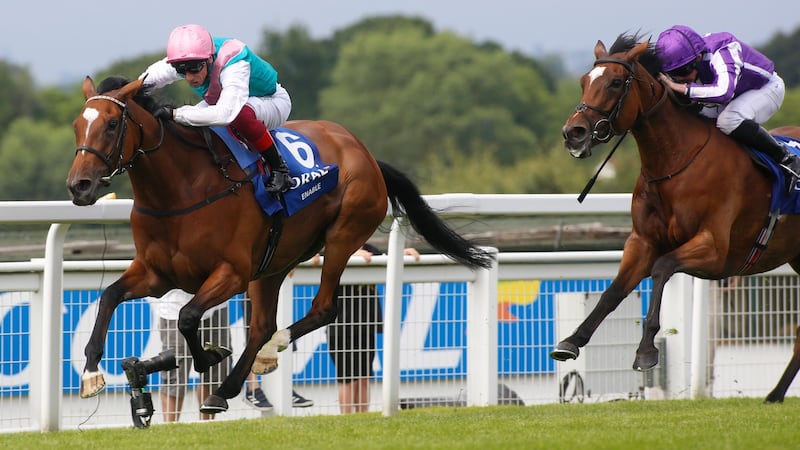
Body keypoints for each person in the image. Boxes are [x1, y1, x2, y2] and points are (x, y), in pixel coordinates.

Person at [139, 24, 292, 194]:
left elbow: (225, 114)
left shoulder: (233, 62)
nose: (189, 77)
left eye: (194, 69)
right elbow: (145, 80)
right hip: (228, 101)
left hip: (272, 100)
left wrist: (175, 113)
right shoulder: (189, 58)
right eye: (182, 71)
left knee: (238, 116)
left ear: (209, 59)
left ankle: (280, 170)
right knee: (186, 126)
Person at [656, 24, 800, 190]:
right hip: (734, 95)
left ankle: (786, 159)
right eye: (673, 74)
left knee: (728, 120)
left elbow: (724, 92)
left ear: (698, 57)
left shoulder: (722, 49)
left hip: (765, 88)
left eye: (683, 70)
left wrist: (683, 89)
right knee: (692, 116)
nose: (681, 78)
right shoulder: (690, 58)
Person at [317, 244, 419, 414]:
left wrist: (403, 252)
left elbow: (387, 260)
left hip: (366, 326)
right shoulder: (334, 246)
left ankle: (363, 417)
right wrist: (348, 254)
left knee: (364, 377)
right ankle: (347, 419)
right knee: (347, 378)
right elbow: (318, 257)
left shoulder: (371, 249)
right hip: (341, 327)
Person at [149, 289, 231, 422]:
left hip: (216, 303)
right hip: (176, 308)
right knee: (174, 375)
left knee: (215, 373)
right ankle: (169, 429)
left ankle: (207, 427)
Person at [240, 297, 314, 411]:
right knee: (255, 337)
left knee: (284, 337)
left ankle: (285, 388)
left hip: (279, 293)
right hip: (255, 291)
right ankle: (253, 389)